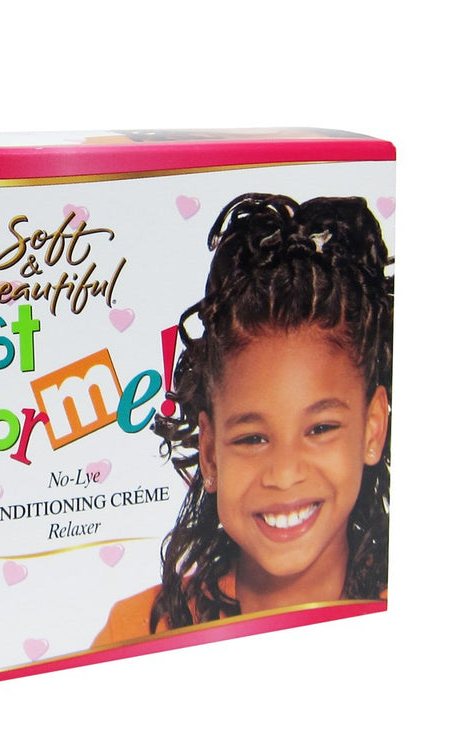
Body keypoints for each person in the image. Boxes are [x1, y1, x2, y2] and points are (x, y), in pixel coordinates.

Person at [93, 193, 393, 646]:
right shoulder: (138, 631)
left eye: (320, 429)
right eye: (253, 438)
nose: (285, 474)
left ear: (372, 429)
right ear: (210, 453)